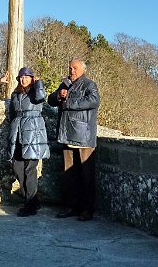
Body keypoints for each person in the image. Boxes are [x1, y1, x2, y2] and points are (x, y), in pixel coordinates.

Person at [48, 58, 100, 222]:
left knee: (86, 175)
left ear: (83, 70)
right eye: (70, 68)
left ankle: (86, 210)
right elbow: (50, 100)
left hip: (84, 136)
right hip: (67, 135)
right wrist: (58, 95)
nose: (72, 71)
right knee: (69, 175)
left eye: (75, 68)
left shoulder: (89, 85)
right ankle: (70, 207)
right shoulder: (65, 84)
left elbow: (94, 101)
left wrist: (67, 101)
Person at [8, 66, 50, 217]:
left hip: (33, 132)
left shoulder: (36, 91)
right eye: (21, 77)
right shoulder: (16, 93)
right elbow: (12, 113)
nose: (23, 79)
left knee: (30, 169)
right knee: (17, 167)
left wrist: (39, 83)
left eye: (27, 76)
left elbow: (41, 97)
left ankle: (30, 205)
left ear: (32, 78)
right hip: (18, 132)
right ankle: (32, 200)